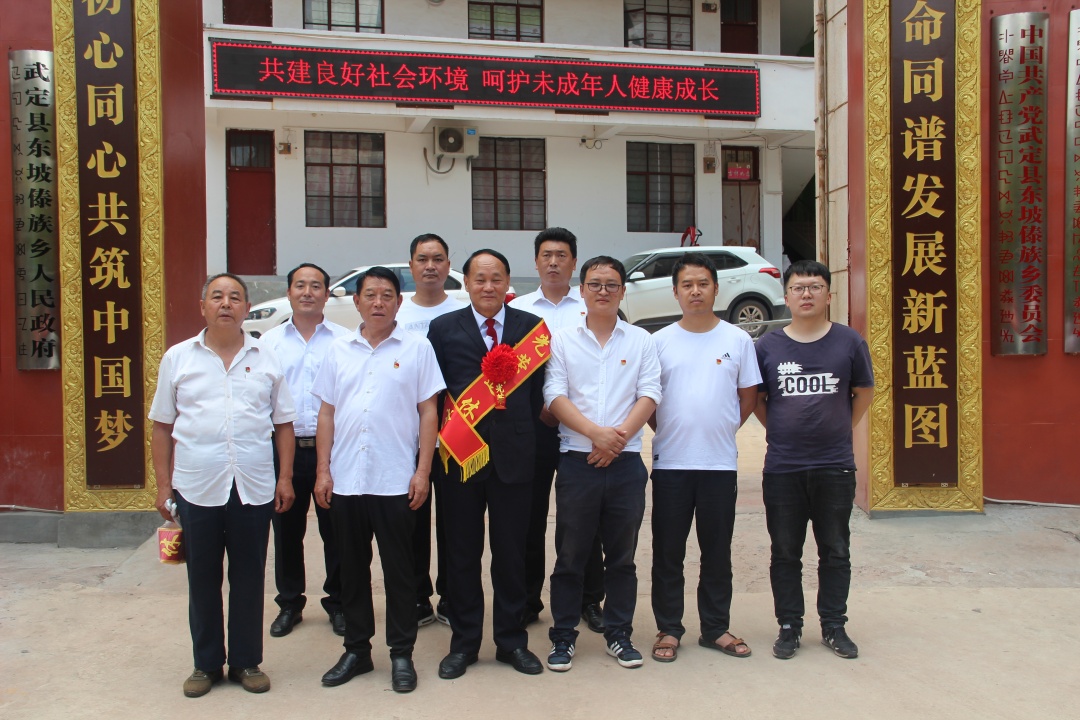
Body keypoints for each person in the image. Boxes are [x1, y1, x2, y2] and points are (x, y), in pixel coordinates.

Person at [150, 273, 297, 698]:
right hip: (197, 485)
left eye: (235, 297)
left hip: (253, 485)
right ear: (203, 307)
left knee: (249, 577)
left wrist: (285, 478)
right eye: (217, 297)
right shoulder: (178, 358)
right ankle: (206, 664)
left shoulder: (266, 357)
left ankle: (247, 661)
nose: (226, 304)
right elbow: (162, 426)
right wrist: (163, 486)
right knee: (202, 578)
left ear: (247, 308)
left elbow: (283, 424)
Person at [311, 266, 444, 693]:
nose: (378, 302)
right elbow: (327, 413)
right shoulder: (338, 350)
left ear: (399, 302)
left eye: (387, 295)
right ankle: (357, 650)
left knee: (400, 572)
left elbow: (429, 411)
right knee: (351, 570)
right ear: (356, 301)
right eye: (370, 295)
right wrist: (323, 470)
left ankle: (401, 653)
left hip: (395, 479)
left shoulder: (418, 348)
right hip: (347, 479)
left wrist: (422, 471)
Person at [426, 249, 549, 679]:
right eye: (480, 279)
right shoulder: (443, 329)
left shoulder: (531, 328)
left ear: (508, 281)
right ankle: (464, 644)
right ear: (466, 283)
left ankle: (512, 641)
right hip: (461, 455)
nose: (488, 286)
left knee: (512, 553)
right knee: (461, 553)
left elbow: (538, 395)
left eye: (496, 278)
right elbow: (434, 393)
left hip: (516, 457)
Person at [543, 256, 662, 672]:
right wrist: (596, 434)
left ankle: (619, 635)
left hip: (626, 463)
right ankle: (562, 637)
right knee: (570, 555)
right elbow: (554, 395)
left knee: (622, 557)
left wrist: (617, 439)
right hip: (577, 461)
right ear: (582, 291)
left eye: (612, 284)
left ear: (623, 291)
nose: (603, 291)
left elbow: (650, 394)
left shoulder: (641, 340)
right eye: (595, 284)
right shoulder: (562, 340)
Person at [753, 259, 874, 660]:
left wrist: (839, 427)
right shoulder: (767, 346)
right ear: (786, 297)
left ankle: (834, 625)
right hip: (783, 467)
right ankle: (789, 626)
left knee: (835, 549)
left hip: (834, 465)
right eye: (798, 288)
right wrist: (781, 429)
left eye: (815, 287)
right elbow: (758, 400)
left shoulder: (849, 342)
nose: (806, 294)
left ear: (828, 295)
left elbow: (863, 392)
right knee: (785, 551)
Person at [648, 253, 760, 663]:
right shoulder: (658, 342)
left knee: (717, 551)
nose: (695, 291)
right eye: (687, 285)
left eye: (703, 284)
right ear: (675, 292)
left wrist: (722, 427)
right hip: (671, 464)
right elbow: (649, 402)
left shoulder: (738, 340)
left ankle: (715, 628)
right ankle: (669, 628)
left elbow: (748, 397)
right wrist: (671, 431)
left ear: (715, 288)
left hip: (719, 464)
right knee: (668, 552)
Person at [509, 228, 606, 633]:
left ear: (574, 262)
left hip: (582, 430)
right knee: (528, 518)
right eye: (546, 255)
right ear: (535, 262)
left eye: (561, 255)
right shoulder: (517, 310)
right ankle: (527, 600)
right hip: (530, 430)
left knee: (583, 522)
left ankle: (588, 599)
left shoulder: (591, 307)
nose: (553, 262)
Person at [261, 263, 349, 639]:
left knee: (337, 531)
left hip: (333, 449)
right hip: (286, 449)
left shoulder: (345, 341)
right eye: (300, 286)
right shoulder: (268, 344)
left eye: (316, 286)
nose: (308, 292)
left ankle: (339, 603)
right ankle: (289, 603)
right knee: (286, 529)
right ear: (289, 293)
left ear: (327, 294)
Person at [396, 233, 466, 629]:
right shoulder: (397, 313)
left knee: (455, 521)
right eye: (422, 259)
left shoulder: (463, 310)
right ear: (411, 266)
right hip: (409, 432)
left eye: (438, 259)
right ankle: (418, 596)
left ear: (448, 265)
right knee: (412, 518)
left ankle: (453, 597)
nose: (430, 266)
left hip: (458, 434)